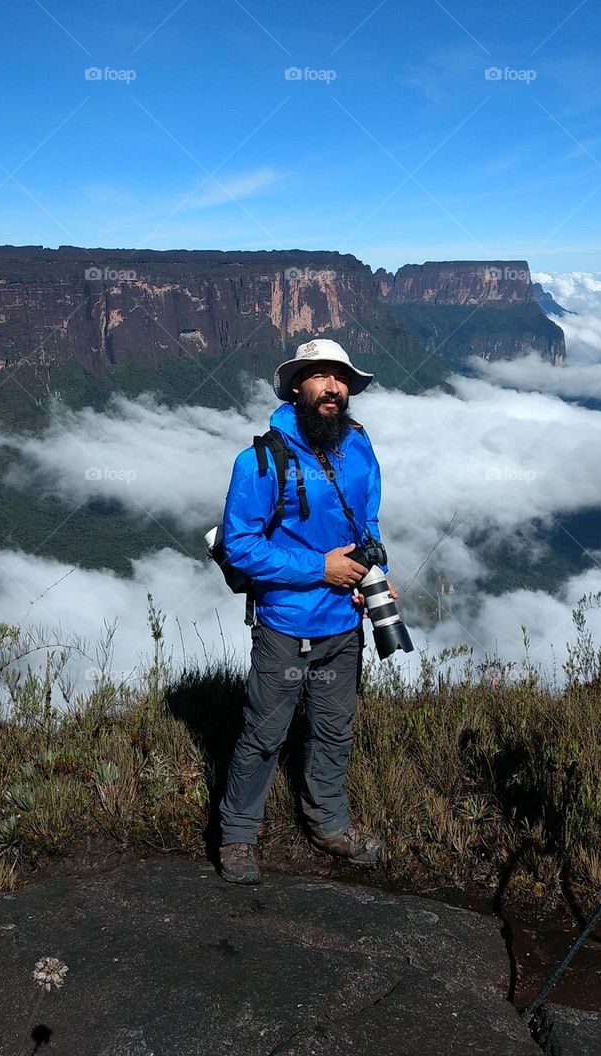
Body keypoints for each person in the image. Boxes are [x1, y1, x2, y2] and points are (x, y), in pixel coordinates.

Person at [216, 338, 397, 884]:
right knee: (265, 733)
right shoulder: (260, 461)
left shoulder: (359, 447)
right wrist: (319, 569)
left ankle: (329, 826)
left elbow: (369, 525)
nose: (333, 387)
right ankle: (238, 837)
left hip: (346, 623)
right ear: (298, 386)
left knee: (334, 730)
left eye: (340, 378)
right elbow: (239, 546)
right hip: (287, 625)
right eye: (319, 376)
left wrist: (374, 575)